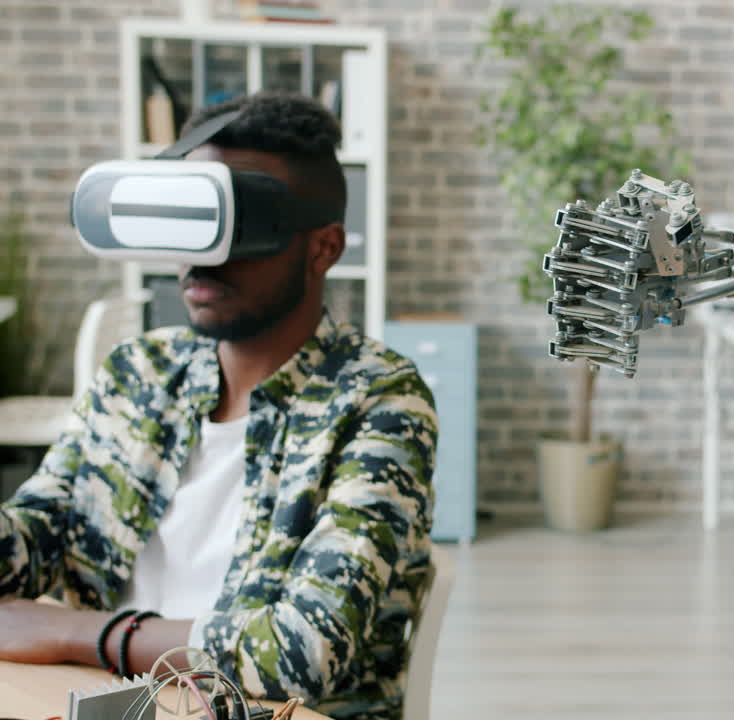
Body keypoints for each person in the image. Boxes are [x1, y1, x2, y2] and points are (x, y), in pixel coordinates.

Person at [0, 91, 437, 720]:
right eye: (195, 215)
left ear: (324, 248)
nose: (205, 255)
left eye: (244, 224)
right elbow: (34, 540)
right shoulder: (138, 374)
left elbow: (303, 651)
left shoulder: (380, 400)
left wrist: (76, 632)